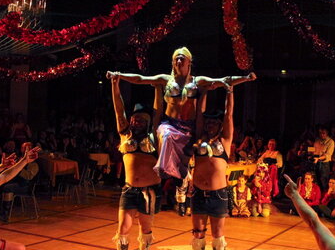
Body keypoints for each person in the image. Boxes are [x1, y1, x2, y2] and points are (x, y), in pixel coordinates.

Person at [107, 47, 255, 180]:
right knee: (166, 135)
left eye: (182, 58)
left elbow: (224, 81)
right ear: (173, 62)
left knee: (192, 148)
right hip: (170, 123)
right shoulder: (166, 80)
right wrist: (119, 75)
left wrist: (246, 78)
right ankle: (164, 168)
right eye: (176, 59)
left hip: (189, 125)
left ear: (189, 62)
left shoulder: (197, 81)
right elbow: (140, 79)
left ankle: (183, 172)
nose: (179, 61)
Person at [188, 75, 255, 250]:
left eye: (214, 123)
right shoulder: (199, 137)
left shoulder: (225, 140)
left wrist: (229, 90)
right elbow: (198, 114)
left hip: (218, 194)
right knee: (198, 232)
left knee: (217, 234)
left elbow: (229, 114)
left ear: (219, 125)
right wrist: (204, 92)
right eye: (208, 122)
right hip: (198, 192)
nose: (210, 125)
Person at [107, 74, 163, 250]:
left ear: (147, 122)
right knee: (123, 227)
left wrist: (158, 89)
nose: (136, 122)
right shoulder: (125, 134)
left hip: (149, 190)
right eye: (134, 119)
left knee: (145, 227)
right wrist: (115, 85)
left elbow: (158, 112)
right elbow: (118, 109)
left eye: (140, 120)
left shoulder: (155, 136)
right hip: (129, 189)